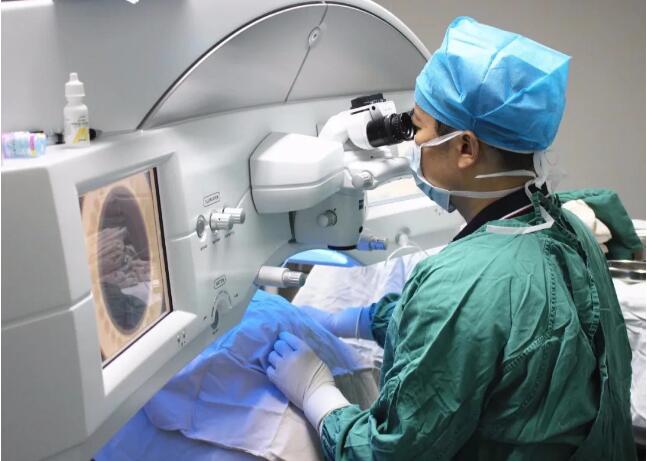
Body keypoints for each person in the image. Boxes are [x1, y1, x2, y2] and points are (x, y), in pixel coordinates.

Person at [266, 16, 637, 460]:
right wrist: (359, 320)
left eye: (418, 128)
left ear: (465, 149)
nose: (412, 144)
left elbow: (391, 454)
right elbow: (482, 333)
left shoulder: (460, 285)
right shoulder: (566, 227)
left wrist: (319, 396)